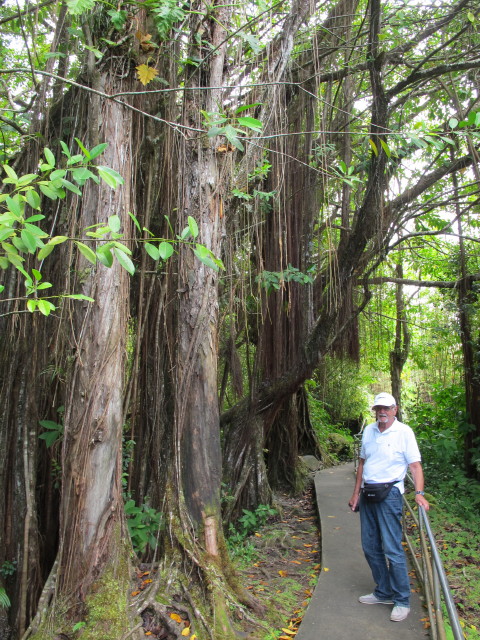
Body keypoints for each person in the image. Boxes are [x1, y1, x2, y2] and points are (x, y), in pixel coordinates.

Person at [348, 392, 430, 622]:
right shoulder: (369, 431)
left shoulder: (404, 432)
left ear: (395, 409)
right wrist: (356, 494)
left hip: (390, 494)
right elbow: (362, 463)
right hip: (368, 494)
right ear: (374, 410)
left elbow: (415, 466)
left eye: (386, 408)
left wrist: (419, 493)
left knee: (392, 549)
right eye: (378, 408)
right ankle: (383, 591)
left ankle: (402, 599)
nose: (381, 412)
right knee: (370, 546)